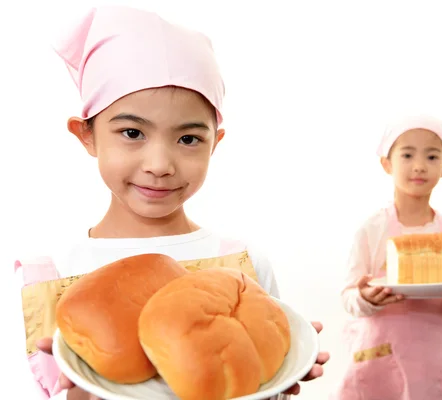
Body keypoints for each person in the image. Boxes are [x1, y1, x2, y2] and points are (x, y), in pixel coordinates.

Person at [15, 5, 328, 400]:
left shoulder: (243, 267)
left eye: (188, 139)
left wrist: (280, 381)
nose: (160, 166)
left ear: (216, 144)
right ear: (86, 135)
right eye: (132, 132)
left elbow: (258, 378)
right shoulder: (51, 278)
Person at [330, 115, 442, 400]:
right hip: (379, 356)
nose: (419, 165)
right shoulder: (371, 230)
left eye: (432, 156)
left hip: (433, 358)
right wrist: (366, 297)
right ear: (387, 164)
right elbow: (348, 296)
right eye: (407, 154)